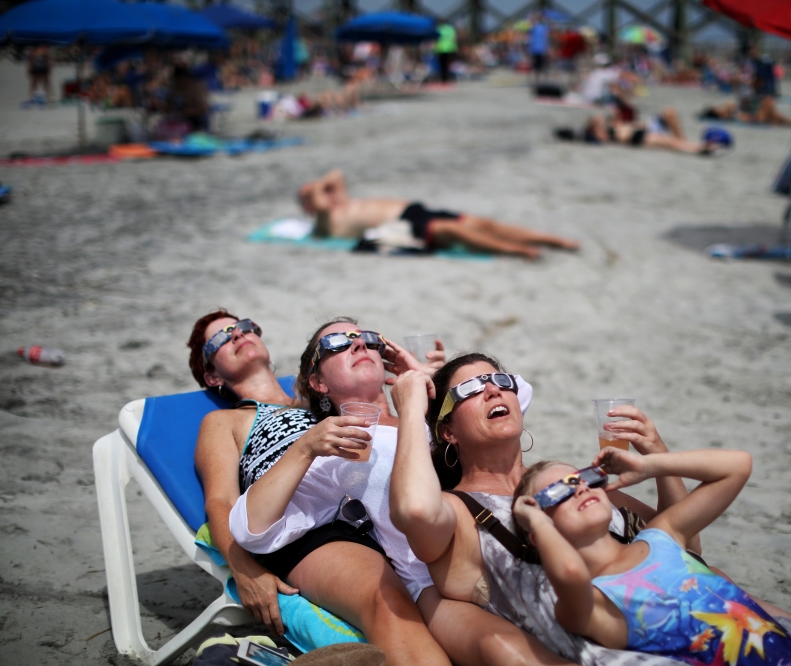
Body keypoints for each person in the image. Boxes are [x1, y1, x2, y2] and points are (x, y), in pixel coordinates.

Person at [389, 352, 791, 666]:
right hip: (657, 646)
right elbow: (412, 508)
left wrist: (659, 457)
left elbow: (685, 549)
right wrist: (412, 404)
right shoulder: (459, 515)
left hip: (733, 612)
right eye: (470, 390)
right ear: (447, 433)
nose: (490, 390)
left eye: (498, 380)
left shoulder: (583, 485)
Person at [228, 319, 580, 666]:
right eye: (336, 343)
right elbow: (251, 529)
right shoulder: (344, 446)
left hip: (515, 547)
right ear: (318, 382)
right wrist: (305, 448)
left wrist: (434, 383)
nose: (358, 344)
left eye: (366, 337)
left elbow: (517, 391)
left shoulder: (437, 419)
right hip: (441, 584)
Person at [189, 311, 450, 662]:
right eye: (222, 337)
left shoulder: (327, 401)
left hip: (366, 499)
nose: (238, 335)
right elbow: (220, 500)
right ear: (211, 374)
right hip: (300, 520)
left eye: (245, 326)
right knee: (384, 597)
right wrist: (243, 567)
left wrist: (428, 382)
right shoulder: (226, 421)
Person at [511, 451, 791, 664]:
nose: (580, 489)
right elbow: (569, 571)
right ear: (538, 530)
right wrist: (536, 522)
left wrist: (650, 466)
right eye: (558, 492)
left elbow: (737, 466)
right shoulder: (592, 602)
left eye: (584, 478)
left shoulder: (662, 534)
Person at [298, 169, 579, 259]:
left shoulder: (340, 203)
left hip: (414, 210)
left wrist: (321, 185)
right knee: (455, 231)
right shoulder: (325, 221)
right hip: (400, 225)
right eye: (313, 193)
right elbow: (324, 192)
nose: (325, 192)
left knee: (484, 223)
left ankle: (551, 239)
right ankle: (517, 250)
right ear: (310, 203)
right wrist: (315, 189)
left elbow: (337, 174)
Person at [575, 109, 724, 155]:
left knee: (671, 142)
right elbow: (600, 141)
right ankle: (699, 149)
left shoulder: (609, 126)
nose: (600, 118)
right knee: (671, 143)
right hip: (636, 138)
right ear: (593, 125)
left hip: (638, 134)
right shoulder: (601, 132)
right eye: (596, 119)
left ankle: (699, 147)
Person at [529, 17, 549, 84]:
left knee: (536, 66)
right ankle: (545, 79)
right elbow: (546, 39)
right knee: (544, 65)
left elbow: (531, 39)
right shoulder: (545, 28)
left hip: (535, 50)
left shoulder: (534, 28)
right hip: (543, 49)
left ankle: (537, 80)